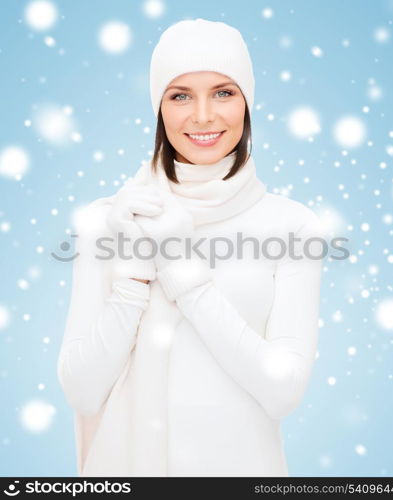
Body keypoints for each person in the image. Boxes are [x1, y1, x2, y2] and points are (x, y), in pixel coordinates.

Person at [57, 18, 326, 477]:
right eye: (180, 95)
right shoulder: (113, 220)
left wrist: (183, 271)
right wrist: (135, 273)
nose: (203, 115)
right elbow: (83, 392)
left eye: (224, 92)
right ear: (159, 108)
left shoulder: (293, 225)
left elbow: (283, 392)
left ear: (248, 102)